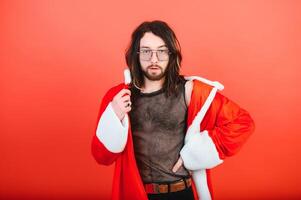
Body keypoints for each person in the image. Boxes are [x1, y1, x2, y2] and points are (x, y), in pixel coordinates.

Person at [91, 20, 255, 200]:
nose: (154, 59)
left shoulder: (191, 91)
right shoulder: (118, 97)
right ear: (136, 55)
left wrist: (195, 154)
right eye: (146, 51)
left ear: (171, 54)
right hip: (137, 194)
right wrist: (114, 114)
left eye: (161, 51)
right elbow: (102, 157)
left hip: (180, 193)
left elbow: (242, 122)